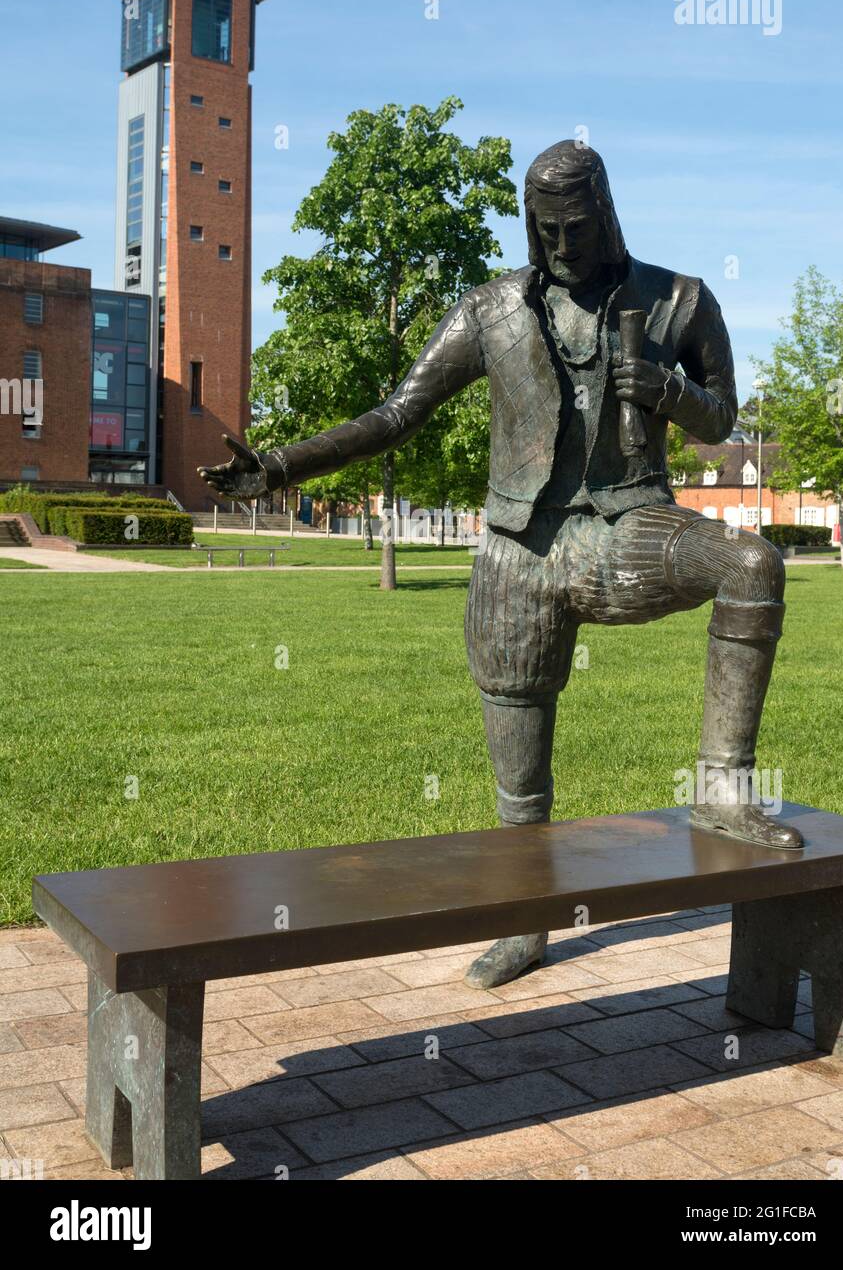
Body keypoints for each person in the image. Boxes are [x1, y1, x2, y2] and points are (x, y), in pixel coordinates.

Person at [199, 140, 801, 990]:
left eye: (579, 227)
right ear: (529, 225)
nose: (563, 246)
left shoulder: (678, 301)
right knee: (520, 777)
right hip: (519, 552)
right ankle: (526, 922)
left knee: (753, 565)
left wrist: (666, 391)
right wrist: (281, 466)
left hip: (629, 528)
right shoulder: (490, 311)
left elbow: (720, 419)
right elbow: (397, 413)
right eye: (546, 230)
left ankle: (722, 789)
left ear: (608, 213)